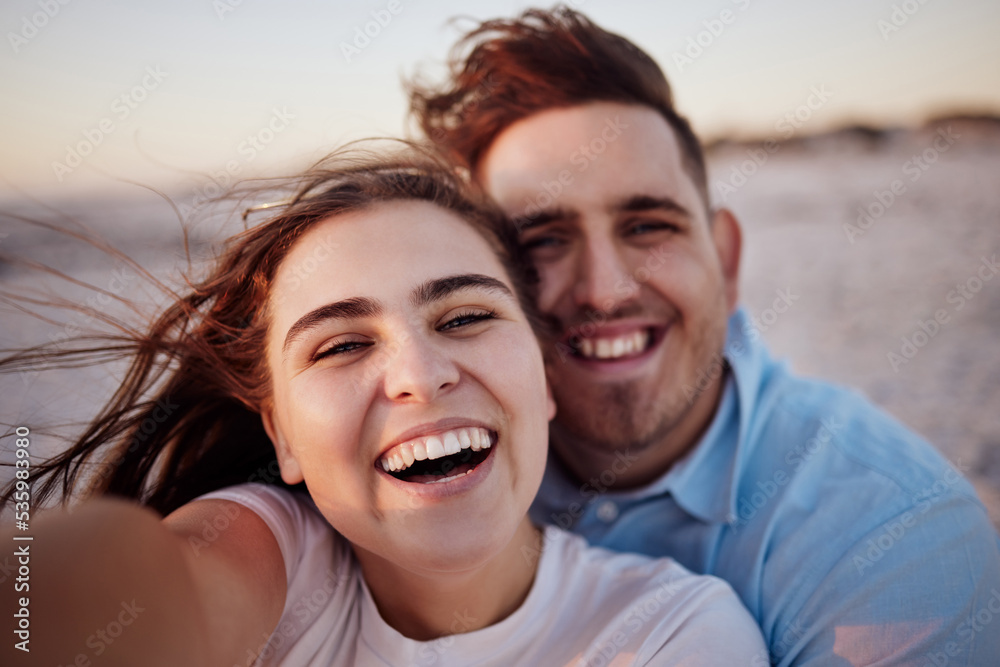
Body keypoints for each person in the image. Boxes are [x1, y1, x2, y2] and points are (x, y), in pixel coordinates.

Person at [0, 148, 767, 665]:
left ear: (543, 374)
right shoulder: (278, 559)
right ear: (283, 436)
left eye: (465, 317)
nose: (419, 375)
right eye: (339, 345)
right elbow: (137, 585)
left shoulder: (675, 630)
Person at [409, 7, 1000, 665]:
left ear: (726, 258)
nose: (605, 290)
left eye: (648, 226)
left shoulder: (893, 532)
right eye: (542, 240)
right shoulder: (429, 464)